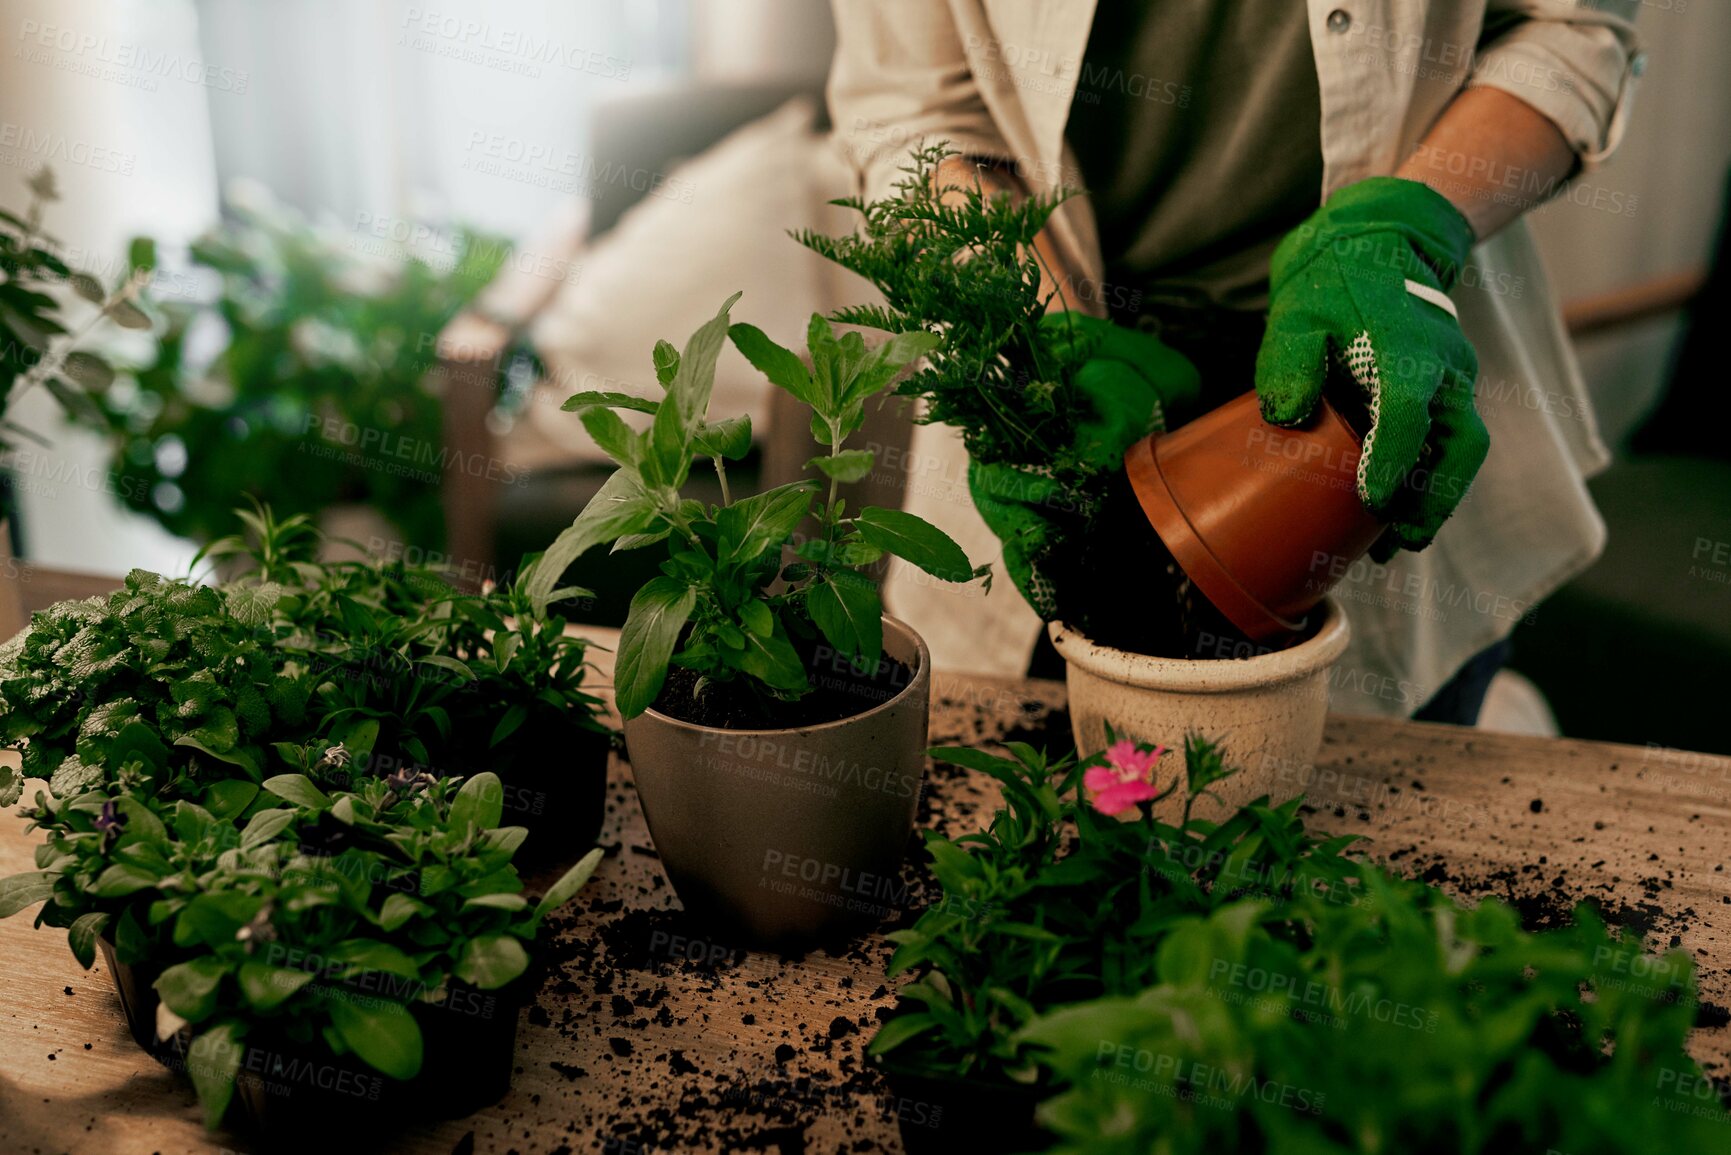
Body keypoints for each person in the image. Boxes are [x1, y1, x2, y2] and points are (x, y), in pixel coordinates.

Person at [827, 0, 1643, 725]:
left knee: (1368, 844)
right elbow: (915, 103)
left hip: (1366, 351)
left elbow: (1571, 29)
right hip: (1088, 355)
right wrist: (1033, 333)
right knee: (1032, 827)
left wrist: (1399, 228)